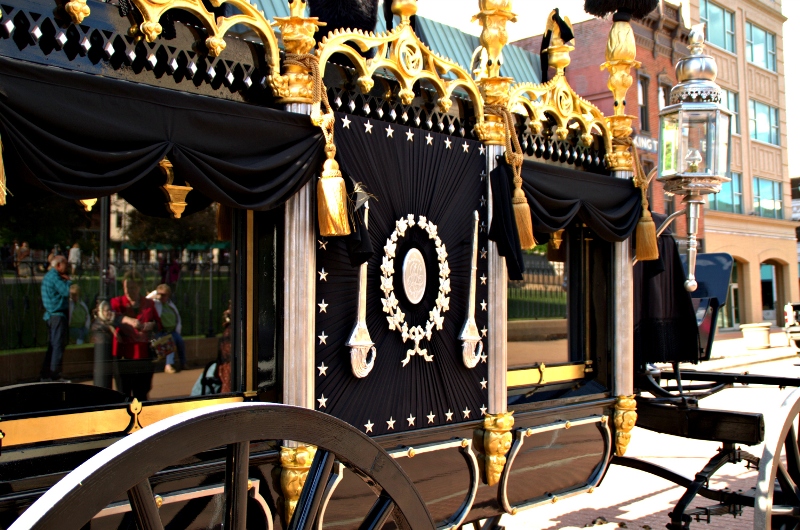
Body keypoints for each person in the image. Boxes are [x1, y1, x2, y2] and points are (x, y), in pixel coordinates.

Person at [110, 271, 162, 401]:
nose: (128, 291)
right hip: (124, 354)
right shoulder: (117, 302)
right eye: (126, 287)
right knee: (123, 394)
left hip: (144, 355)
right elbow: (110, 317)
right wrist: (127, 320)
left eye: (132, 287)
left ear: (139, 287)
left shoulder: (149, 304)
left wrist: (150, 325)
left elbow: (158, 324)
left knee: (142, 394)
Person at [40, 255, 71, 381]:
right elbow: (66, 291)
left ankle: (46, 374)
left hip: (51, 315)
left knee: (53, 346)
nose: (67, 267)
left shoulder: (49, 276)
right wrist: (68, 281)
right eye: (65, 264)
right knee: (58, 345)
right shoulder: (55, 277)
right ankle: (54, 375)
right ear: (58, 265)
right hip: (57, 315)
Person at [147, 284, 186, 373]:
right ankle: (168, 365)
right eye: (160, 294)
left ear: (168, 295)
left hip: (172, 331)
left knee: (180, 341)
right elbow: (145, 299)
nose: (162, 297)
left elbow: (177, 317)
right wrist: (155, 293)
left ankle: (183, 363)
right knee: (170, 342)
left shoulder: (170, 304)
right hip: (159, 332)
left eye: (164, 295)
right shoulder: (155, 303)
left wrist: (177, 329)